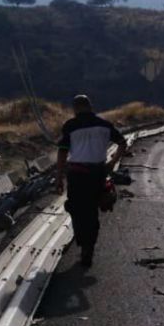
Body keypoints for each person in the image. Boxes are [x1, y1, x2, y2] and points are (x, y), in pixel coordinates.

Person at [56, 95, 127, 267]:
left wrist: (59, 177)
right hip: (98, 173)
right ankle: (89, 247)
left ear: (75, 108)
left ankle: (83, 243)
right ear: (90, 106)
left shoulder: (70, 126)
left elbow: (62, 152)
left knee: (76, 209)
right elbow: (122, 143)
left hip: (77, 174)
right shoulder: (104, 125)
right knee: (92, 210)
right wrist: (112, 162)